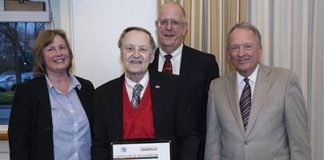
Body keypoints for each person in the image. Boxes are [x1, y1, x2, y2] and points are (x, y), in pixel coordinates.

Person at [205, 21, 311, 160]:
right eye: (235, 47)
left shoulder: (285, 81)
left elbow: (299, 143)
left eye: (248, 46)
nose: (241, 53)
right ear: (228, 54)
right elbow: (213, 144)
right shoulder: (216, 87)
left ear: (260, 50)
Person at [91, 26, 199, 160]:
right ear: (121, 54)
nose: (136, 54)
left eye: (143, 49)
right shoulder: (103, 95)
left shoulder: (174, 87)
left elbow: (189, 137)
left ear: (152, 56)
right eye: (129, 48)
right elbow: (99, 145)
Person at [8, 29, 94, 160]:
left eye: (62, 47)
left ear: (69, 52)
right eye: (51, 49)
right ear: (41, 57)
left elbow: (98, 134)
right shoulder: (27, 93)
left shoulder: (86, 88)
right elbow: (18, 144)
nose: (58, 53)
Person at [149, 2, 220, 159]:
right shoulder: (144, 64)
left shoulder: (205, 63)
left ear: (184, 28)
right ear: (156, 26)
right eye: (164, 22)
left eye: (175, 22)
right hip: (153, 153)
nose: (169, 27)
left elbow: (213, 117)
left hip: (195, 153)